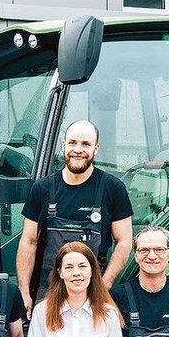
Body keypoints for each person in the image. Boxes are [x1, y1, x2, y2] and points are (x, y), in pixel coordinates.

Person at [16, 120, 133, 313]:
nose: (77, 149)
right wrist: (24, 291)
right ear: (63, 145)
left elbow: (124, 241)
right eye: (72, 143)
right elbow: (29, 241)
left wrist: (104, 286)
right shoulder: (42, 188)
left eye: (86, 144)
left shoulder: (113, 189)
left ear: (96, 148)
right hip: (48, 292)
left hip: (93, 292)